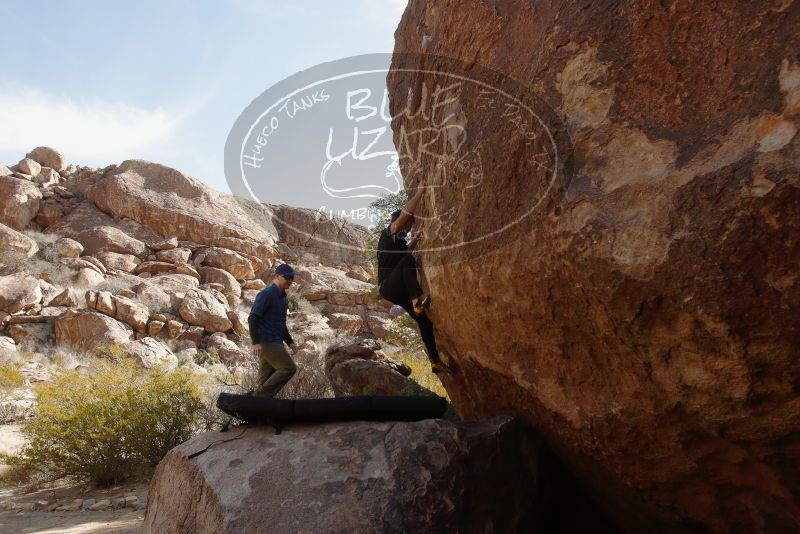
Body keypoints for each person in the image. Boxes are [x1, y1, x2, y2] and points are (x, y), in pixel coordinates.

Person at [377, 189, 455, 374]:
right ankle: (416, 301)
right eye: (410, 225)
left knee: (424, 322)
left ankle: (435, 362)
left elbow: (404, 253)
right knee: (409, 261)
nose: (410, 229)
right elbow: (405, 215)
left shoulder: (398, 243)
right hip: (388, 285)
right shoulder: (389, 233)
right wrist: (421, 192)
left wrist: (417, 240)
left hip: (396, 289)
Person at [248, 263, 299, 397]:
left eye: (292, 278)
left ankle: (255, 405)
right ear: (277, 276)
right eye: (288, 277)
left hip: (276, 342)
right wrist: (256, 342)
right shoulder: (266, 294)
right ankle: (257, 398)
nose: (290, 281)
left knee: (263, 380)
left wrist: (290, 342)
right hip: (267, 342)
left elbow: (281, 324)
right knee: (289, 368)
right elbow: (253, 318)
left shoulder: (284, 298)